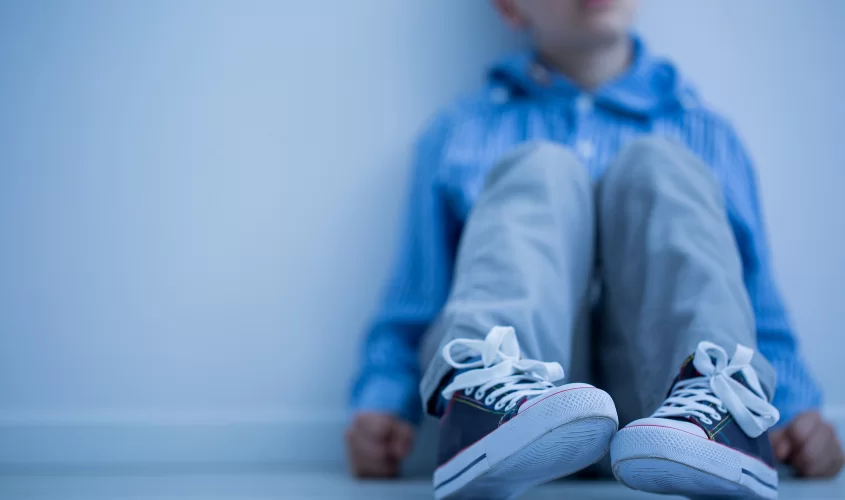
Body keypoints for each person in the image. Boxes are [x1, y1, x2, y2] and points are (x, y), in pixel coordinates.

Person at [346, 0, 844, 495]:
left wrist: (797, 411)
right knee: (540, 169)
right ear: (510, 8)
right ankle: (482, 407)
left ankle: (721, 412)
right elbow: (416, 297)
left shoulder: (707, 134)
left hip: (667, 403)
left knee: (661, 167)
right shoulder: (461, 133)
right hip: (522, 408)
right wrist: (383, 404)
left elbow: (750, 294)